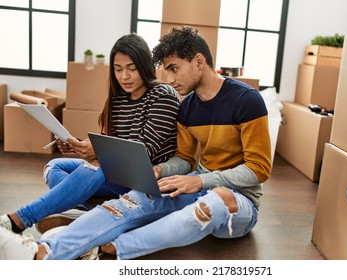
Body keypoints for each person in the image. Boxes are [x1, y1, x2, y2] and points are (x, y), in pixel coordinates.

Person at [0, 26, 272, 260]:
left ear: (199, 62)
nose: (170, 78)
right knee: (137, 198)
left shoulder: (246, 100)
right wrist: (160, 171)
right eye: (166, 70)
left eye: (174, 69)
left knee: (214, 202)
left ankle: (113, 247)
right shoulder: (188, 107)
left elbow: (259, 169)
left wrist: (201, 181)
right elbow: (185, 161)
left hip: (239, 196)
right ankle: (44, 252)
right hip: (196, 182)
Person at [0, 33, 180, 236]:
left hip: (148, 180)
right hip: (118, 175)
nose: (124, 77)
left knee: (99, 167)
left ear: (145, 66)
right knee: (54, 166)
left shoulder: (163, 95)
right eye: (118, 69)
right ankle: (93, 212)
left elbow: (145, 153)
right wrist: (78, 146)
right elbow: (111, 143)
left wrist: (98, 153)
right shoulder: (118, 99)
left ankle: (21, 219)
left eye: (132, 69)